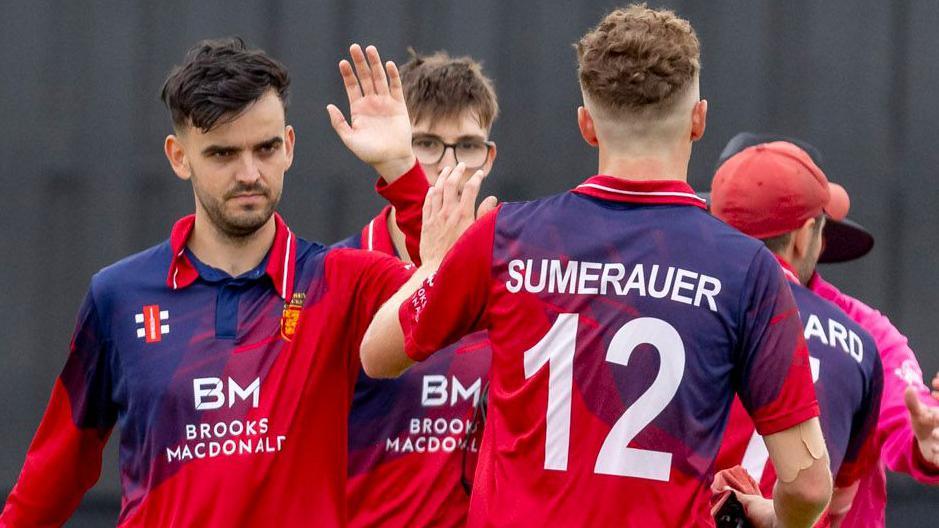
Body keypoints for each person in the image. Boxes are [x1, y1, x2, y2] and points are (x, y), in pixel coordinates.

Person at [358, 5, 832, 526]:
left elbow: (377, 355)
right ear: (699, 121)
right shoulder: (747, 268)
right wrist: (778, 519)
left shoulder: (504, 238)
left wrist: (432, 265)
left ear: (587, 125)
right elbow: (809, 485)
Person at [0, 38, 486, 527]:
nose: (249, 172)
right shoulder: (118, 296)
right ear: (178, 156)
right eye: (223, 154)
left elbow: (457, 294)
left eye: (266, 148)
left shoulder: (341, 280)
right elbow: (53, 474)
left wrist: (399, 168)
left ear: (289, 147)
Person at [714, 133, 939, 527]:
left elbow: (910, 421)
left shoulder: (867, 329)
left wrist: (927, 442)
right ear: (807, 236)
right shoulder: (857, 336)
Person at [332, 50, 499, 527]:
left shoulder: (513, 270)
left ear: (489, 156)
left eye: (466, 146)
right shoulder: (344, 274)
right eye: (425, 144)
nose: (448, 167)